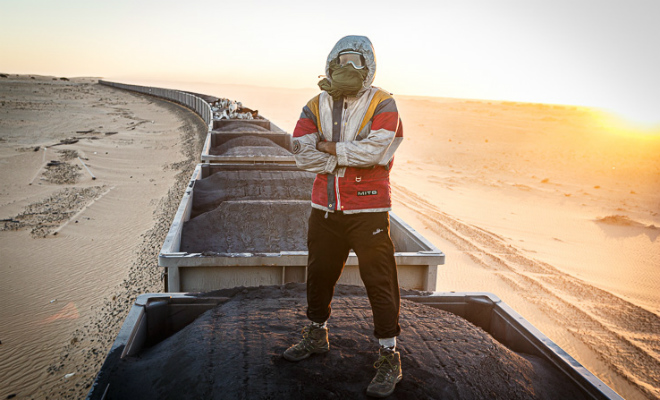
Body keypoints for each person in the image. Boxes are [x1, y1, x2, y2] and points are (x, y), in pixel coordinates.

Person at [283, 35, 404, 398]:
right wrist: (346, 156)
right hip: (324, 208)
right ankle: (316, 333)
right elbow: (302, 153)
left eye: (356, 62)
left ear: (369, 65)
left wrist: (329, 148)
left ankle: (389, 355)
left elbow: (378, 150)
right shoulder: (314, 104)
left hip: (368, 210)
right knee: (318, 275)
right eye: (342, 60)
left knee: (379, 282)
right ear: (330, 62)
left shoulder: (384, 103)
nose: (348, 68)